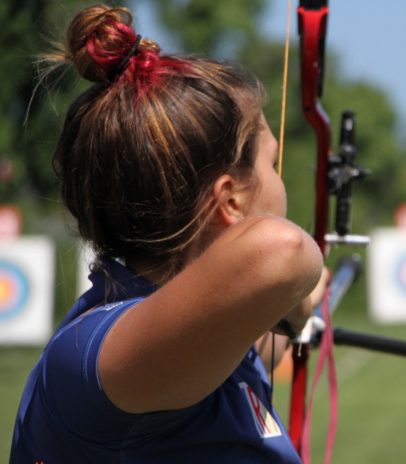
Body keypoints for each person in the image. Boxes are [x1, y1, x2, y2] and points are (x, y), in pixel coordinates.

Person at [10, 5, 329, 463]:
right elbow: (283, 253)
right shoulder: (97, 356)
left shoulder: (178, 344)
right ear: (231, 201)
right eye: (271, 163)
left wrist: (294, 297)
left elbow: (233, 308)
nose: (280, 181)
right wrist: (295, 301)